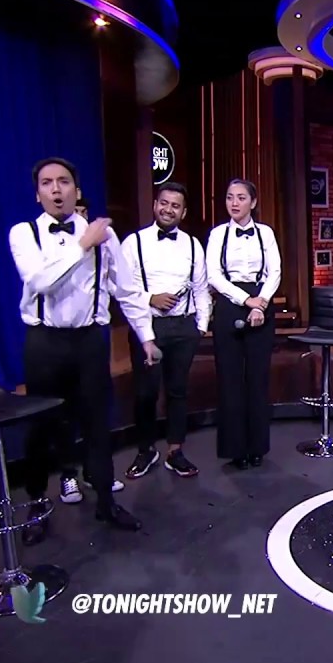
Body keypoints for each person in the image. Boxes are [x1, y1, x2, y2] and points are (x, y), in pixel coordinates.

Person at [8, 157, 159, 544]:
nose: (55, 189)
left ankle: (106, 499)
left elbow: (126, 289)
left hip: (90, 340)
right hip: (44, 342)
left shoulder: (105, 236)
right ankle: (37, 503)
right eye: (47, 183)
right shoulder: (24, 233)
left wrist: (146, 336)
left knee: (96, 422)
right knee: (41, 426)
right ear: (38, 194)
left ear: (76, 190)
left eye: (63, 181)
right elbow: (39, 281)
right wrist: (82, 245)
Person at [121, 181, 211, 479]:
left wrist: (200, 327)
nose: (168, 209)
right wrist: (151, 298)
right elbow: (123, 289)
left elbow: (201, 288)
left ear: (183, 212)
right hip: (147, 326)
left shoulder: (193, 245)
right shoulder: (133, 243)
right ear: (154, 205)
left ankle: (175, 451)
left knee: (178, 391)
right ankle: (146, 450)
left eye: (175, 205)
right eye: (164, 203)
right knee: (145, 393)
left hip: (184, 327)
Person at [206, 179, 281, 469]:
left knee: (258, 379)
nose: (234, 203)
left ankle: (257, 447)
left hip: (261, 301)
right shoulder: (217, 234)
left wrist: (260, 303)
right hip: (230, 303)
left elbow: (275, 272)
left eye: (240, 197)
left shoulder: (265, 233)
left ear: (253, 202)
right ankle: (235, 449)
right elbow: (214, 275)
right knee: (230, 380)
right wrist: (245, 300)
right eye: (229, 197)